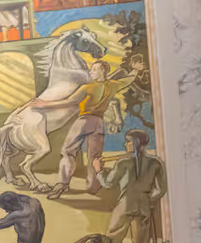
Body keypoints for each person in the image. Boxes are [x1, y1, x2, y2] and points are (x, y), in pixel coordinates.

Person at [38, 59, 136, 199]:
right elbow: (129, 80)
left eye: (94, 69)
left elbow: (69, 101)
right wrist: (136, 70)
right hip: (99, 123)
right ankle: (93, 186)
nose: (91, 72)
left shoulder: (87, 87)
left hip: (84, 121)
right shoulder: (113, 86)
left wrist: (45, 104)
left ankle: (63, 184)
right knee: (95, 157)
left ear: (103, 71)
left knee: (68, 151)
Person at [99, 128, 167, 243]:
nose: (125, 144)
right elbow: (161, 189)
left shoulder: (123, 163)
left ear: (137, 143)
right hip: (143, 207)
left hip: (124, 206)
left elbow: (107, 183)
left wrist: (98, 170)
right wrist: (148, 200)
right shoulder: (156, 163)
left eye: (128, 141)